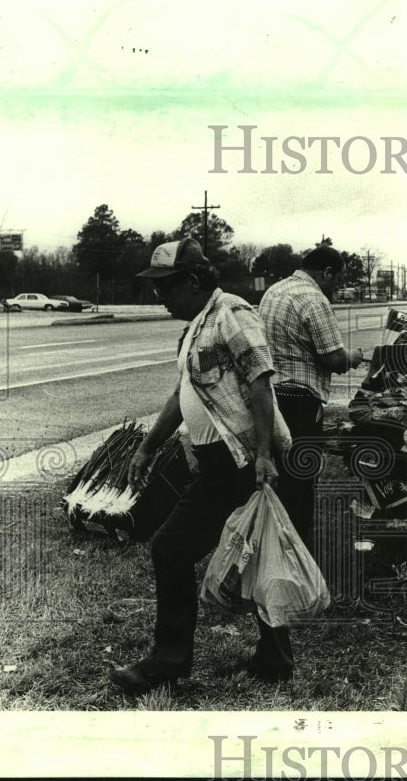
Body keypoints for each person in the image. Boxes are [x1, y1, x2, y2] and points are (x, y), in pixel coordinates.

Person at [110, 237, 293, 694]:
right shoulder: (195, 326)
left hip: (242, 462)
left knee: (170, 548)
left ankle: (168, 662)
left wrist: (265, 456)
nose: (159, 295)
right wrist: (148, 447)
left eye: (166, 286)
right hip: (218, 461)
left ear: (193, 281)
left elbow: (260, 382)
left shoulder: (230, 313)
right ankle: (275, 657)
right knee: (254, 555)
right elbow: (182, 395)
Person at [257, 244, 363, 549]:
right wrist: (351, 358)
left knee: (275, 477)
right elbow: (332, 358)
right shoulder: (314, 299)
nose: (336, 288)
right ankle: (297, 551)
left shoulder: (272, 292)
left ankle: (270, 543)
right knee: (300, 484)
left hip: (269, 397)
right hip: (300, 401)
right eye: (337, 280)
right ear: (326, 272)